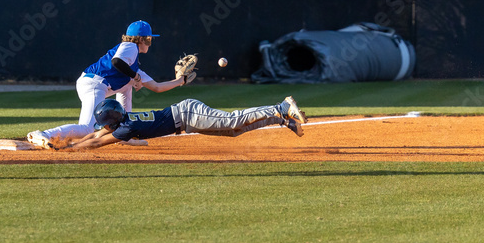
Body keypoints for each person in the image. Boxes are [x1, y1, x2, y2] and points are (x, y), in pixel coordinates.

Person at [26, 20, 189, 149]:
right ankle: (44, 134)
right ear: (141, 39)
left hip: (96, 84)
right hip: (94, 83)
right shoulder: (130, 46)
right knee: (87, 128)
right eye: (149, 39)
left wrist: (181, 80)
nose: (149, 42)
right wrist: (135, 76)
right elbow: (117, 61)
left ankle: (125, 135)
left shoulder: (134, 66)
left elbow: (157, 87)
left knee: (127, 86)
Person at [53, 95, 307, 151]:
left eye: (104, 124)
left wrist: (69, 149)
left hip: (187, 114)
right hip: (185, 120)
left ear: (112, 122)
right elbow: (96, 135)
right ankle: (280, 119)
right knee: (233, 132)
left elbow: (98, 143)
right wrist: (74, 142)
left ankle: (282, 107)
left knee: (233, 119)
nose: (102, 127)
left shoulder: (127, 128)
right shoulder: (123, 121)